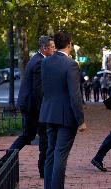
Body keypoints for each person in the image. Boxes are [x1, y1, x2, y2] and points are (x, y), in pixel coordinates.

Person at [0, 36, 55, 178]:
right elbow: (38, 90)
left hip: (29, 106)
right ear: (44, 48)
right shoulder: (40, 62)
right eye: (52, 47)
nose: (54, 49)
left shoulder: (36, 59)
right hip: (33, 108)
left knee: (28, 136)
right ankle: (44, 171)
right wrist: (44, 111)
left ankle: (3, 162)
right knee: (43, 138)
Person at [39, 31, 86, 189]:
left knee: (50, 153)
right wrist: (81, 120)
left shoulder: (45, 62)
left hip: (49, 113)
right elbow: (75, 95)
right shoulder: (71, 64)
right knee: (60, 155)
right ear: (69, 44)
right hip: (66, 116)